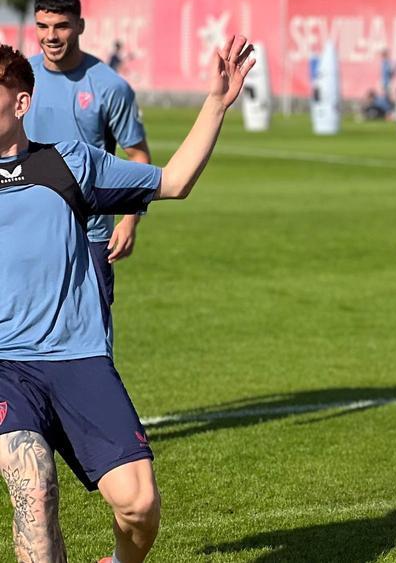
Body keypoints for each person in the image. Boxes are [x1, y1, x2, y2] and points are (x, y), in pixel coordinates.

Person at [0, 35, 255, 563]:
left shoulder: (68, 163)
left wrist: (216, 103)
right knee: (34, 492)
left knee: (139, 506)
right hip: (6, 365)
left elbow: (174, 181)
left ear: (20, 103)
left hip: (78, 358)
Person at [25, 0, 152, 320]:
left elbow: (138, 156)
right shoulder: (19, 79)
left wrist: (129, 221)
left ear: (80, 26)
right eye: (42, 26)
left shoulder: (111, 87)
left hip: (89, 234)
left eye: (61, 26)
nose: (51, 36)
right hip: (27, 229)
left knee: (91, 332)